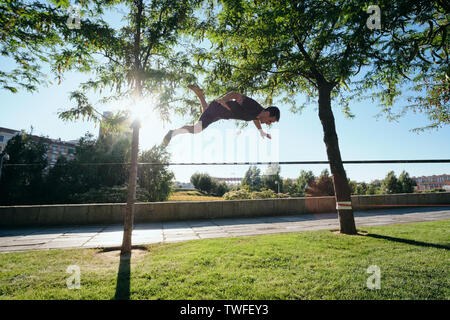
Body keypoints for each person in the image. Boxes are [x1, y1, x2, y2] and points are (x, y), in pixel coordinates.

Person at [162, 85, 280, 146]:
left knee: (205, 113)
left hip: (218, 114)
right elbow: (235, 94)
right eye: (270, 121)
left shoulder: (258, 115)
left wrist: (261, 131)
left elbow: (255, 119)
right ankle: (172, 133)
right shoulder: (254, 106)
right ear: (268, 113)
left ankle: (200, 95)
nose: (269, 123)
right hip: (219, 109)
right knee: (196, 129)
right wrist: (223, 100)